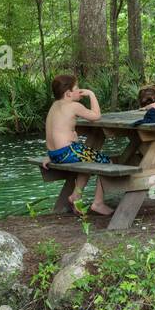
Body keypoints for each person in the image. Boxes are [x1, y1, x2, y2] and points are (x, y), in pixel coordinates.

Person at [45, 73, 110, 215]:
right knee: (106, 161)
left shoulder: (54, 106)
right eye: (78, 88)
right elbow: (96, 116)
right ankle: (98, 203)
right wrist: (91, 94)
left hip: (54, 154)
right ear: (68, 93)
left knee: (87, 157)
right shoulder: (74, 106)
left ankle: (76, 195)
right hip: (67, 152)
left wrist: (50, 155)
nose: (81, 90)